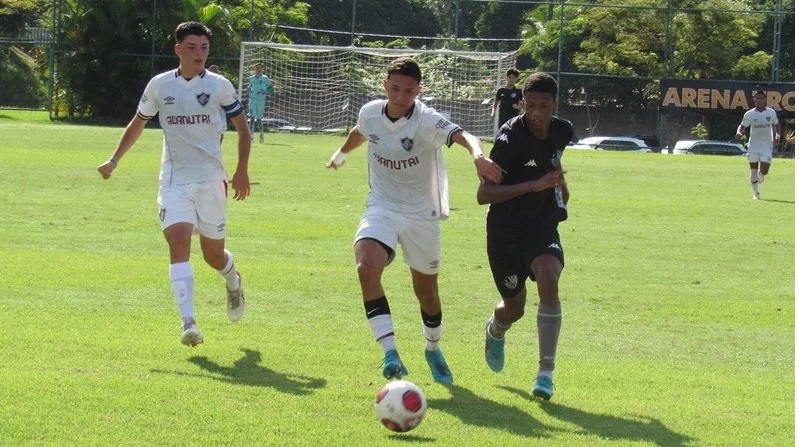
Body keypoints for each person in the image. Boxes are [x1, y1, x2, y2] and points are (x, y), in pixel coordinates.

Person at [326, 57, 503, 384]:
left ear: (418, 91)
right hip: (382, 206)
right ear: (385, 86)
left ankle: (432, 348)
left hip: (422, 215)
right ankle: (390, 353)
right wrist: (340, 154)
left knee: (427, 293)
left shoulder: (426, 120)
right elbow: (359, 132)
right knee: (366, 267)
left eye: (408, 91)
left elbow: (464, 136)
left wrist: (478, 156)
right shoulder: (371, 113)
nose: (400, 96)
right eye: (394, 89)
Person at [96, 21, 251, 347]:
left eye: (204, 48)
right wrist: (114, 159)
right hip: (174, 180)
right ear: (178, 49)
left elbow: (242, 127)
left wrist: (241, 170)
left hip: (211, 180)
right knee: (178, 241)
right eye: (192, 48)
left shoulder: (220, 85)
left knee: (213, 256)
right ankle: (188, 322)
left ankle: (233, 280)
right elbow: (138, 123)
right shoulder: (159, 85)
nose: (199, 54)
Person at [478, 72, 573, 401]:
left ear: (554, 106)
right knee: (514, 308)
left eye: (543, 106)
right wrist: (532, 185)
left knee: (549, 277)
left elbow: (553, 162)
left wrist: (560, 184)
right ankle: (496, 328)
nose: (535, 113)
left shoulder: (563, 131)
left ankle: (545, 372)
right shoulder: (509, 137)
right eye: (530, 105)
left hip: (542, 224)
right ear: (522, 103)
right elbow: (483, 195)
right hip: (505, 231)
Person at [736, 90, 780, 200]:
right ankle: (756, 194)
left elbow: (776, 125)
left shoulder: (771, 112)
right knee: (753, 171)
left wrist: (777, 136)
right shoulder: (750, 114)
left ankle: (761, 173)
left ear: (765, 100)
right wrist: (739, 133)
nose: (759, 100)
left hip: (766, 145)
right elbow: (742, 126)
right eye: (757, 98)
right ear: (754, 100)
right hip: (753, 146)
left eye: (761, 98)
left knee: (764, 171)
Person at [248, 63, 274, 144]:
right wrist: (248, 89)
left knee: (259, 120)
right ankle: (250, 136)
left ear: (263, 70)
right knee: (252, 118)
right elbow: (249, 86)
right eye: (257, 68)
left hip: (261, 101)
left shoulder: (265, 78)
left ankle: (261, 134)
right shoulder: (251, 78)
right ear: (255, 69)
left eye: (260, 68)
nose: (258, 70)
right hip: (253, 100)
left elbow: (271, 88)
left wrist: (265, 91)